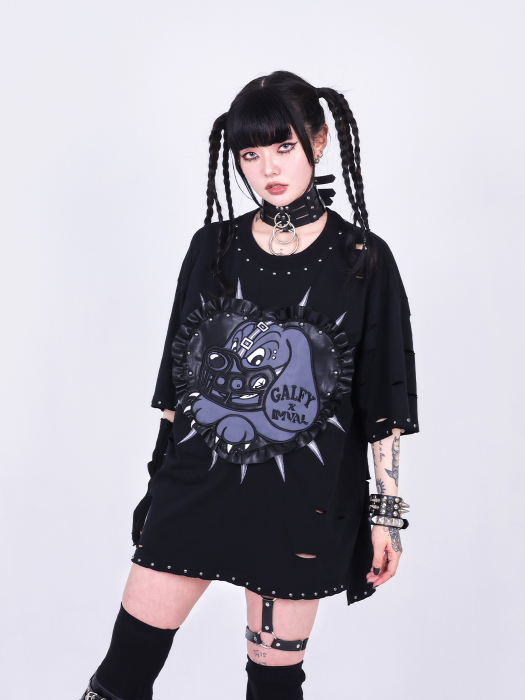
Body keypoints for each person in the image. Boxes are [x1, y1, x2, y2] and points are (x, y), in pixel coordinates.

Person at [80, 70, 419, 700]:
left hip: (303, 503)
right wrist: (157, 485)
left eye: (284, 146)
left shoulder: (363, 259)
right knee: (120, 678)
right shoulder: (213, 246)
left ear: (319, 141)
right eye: (251, 154)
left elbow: (384, 398)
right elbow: (178, 380)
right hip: (196, 489)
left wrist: (388, 516)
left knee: (273, 686)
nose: (268, 169)